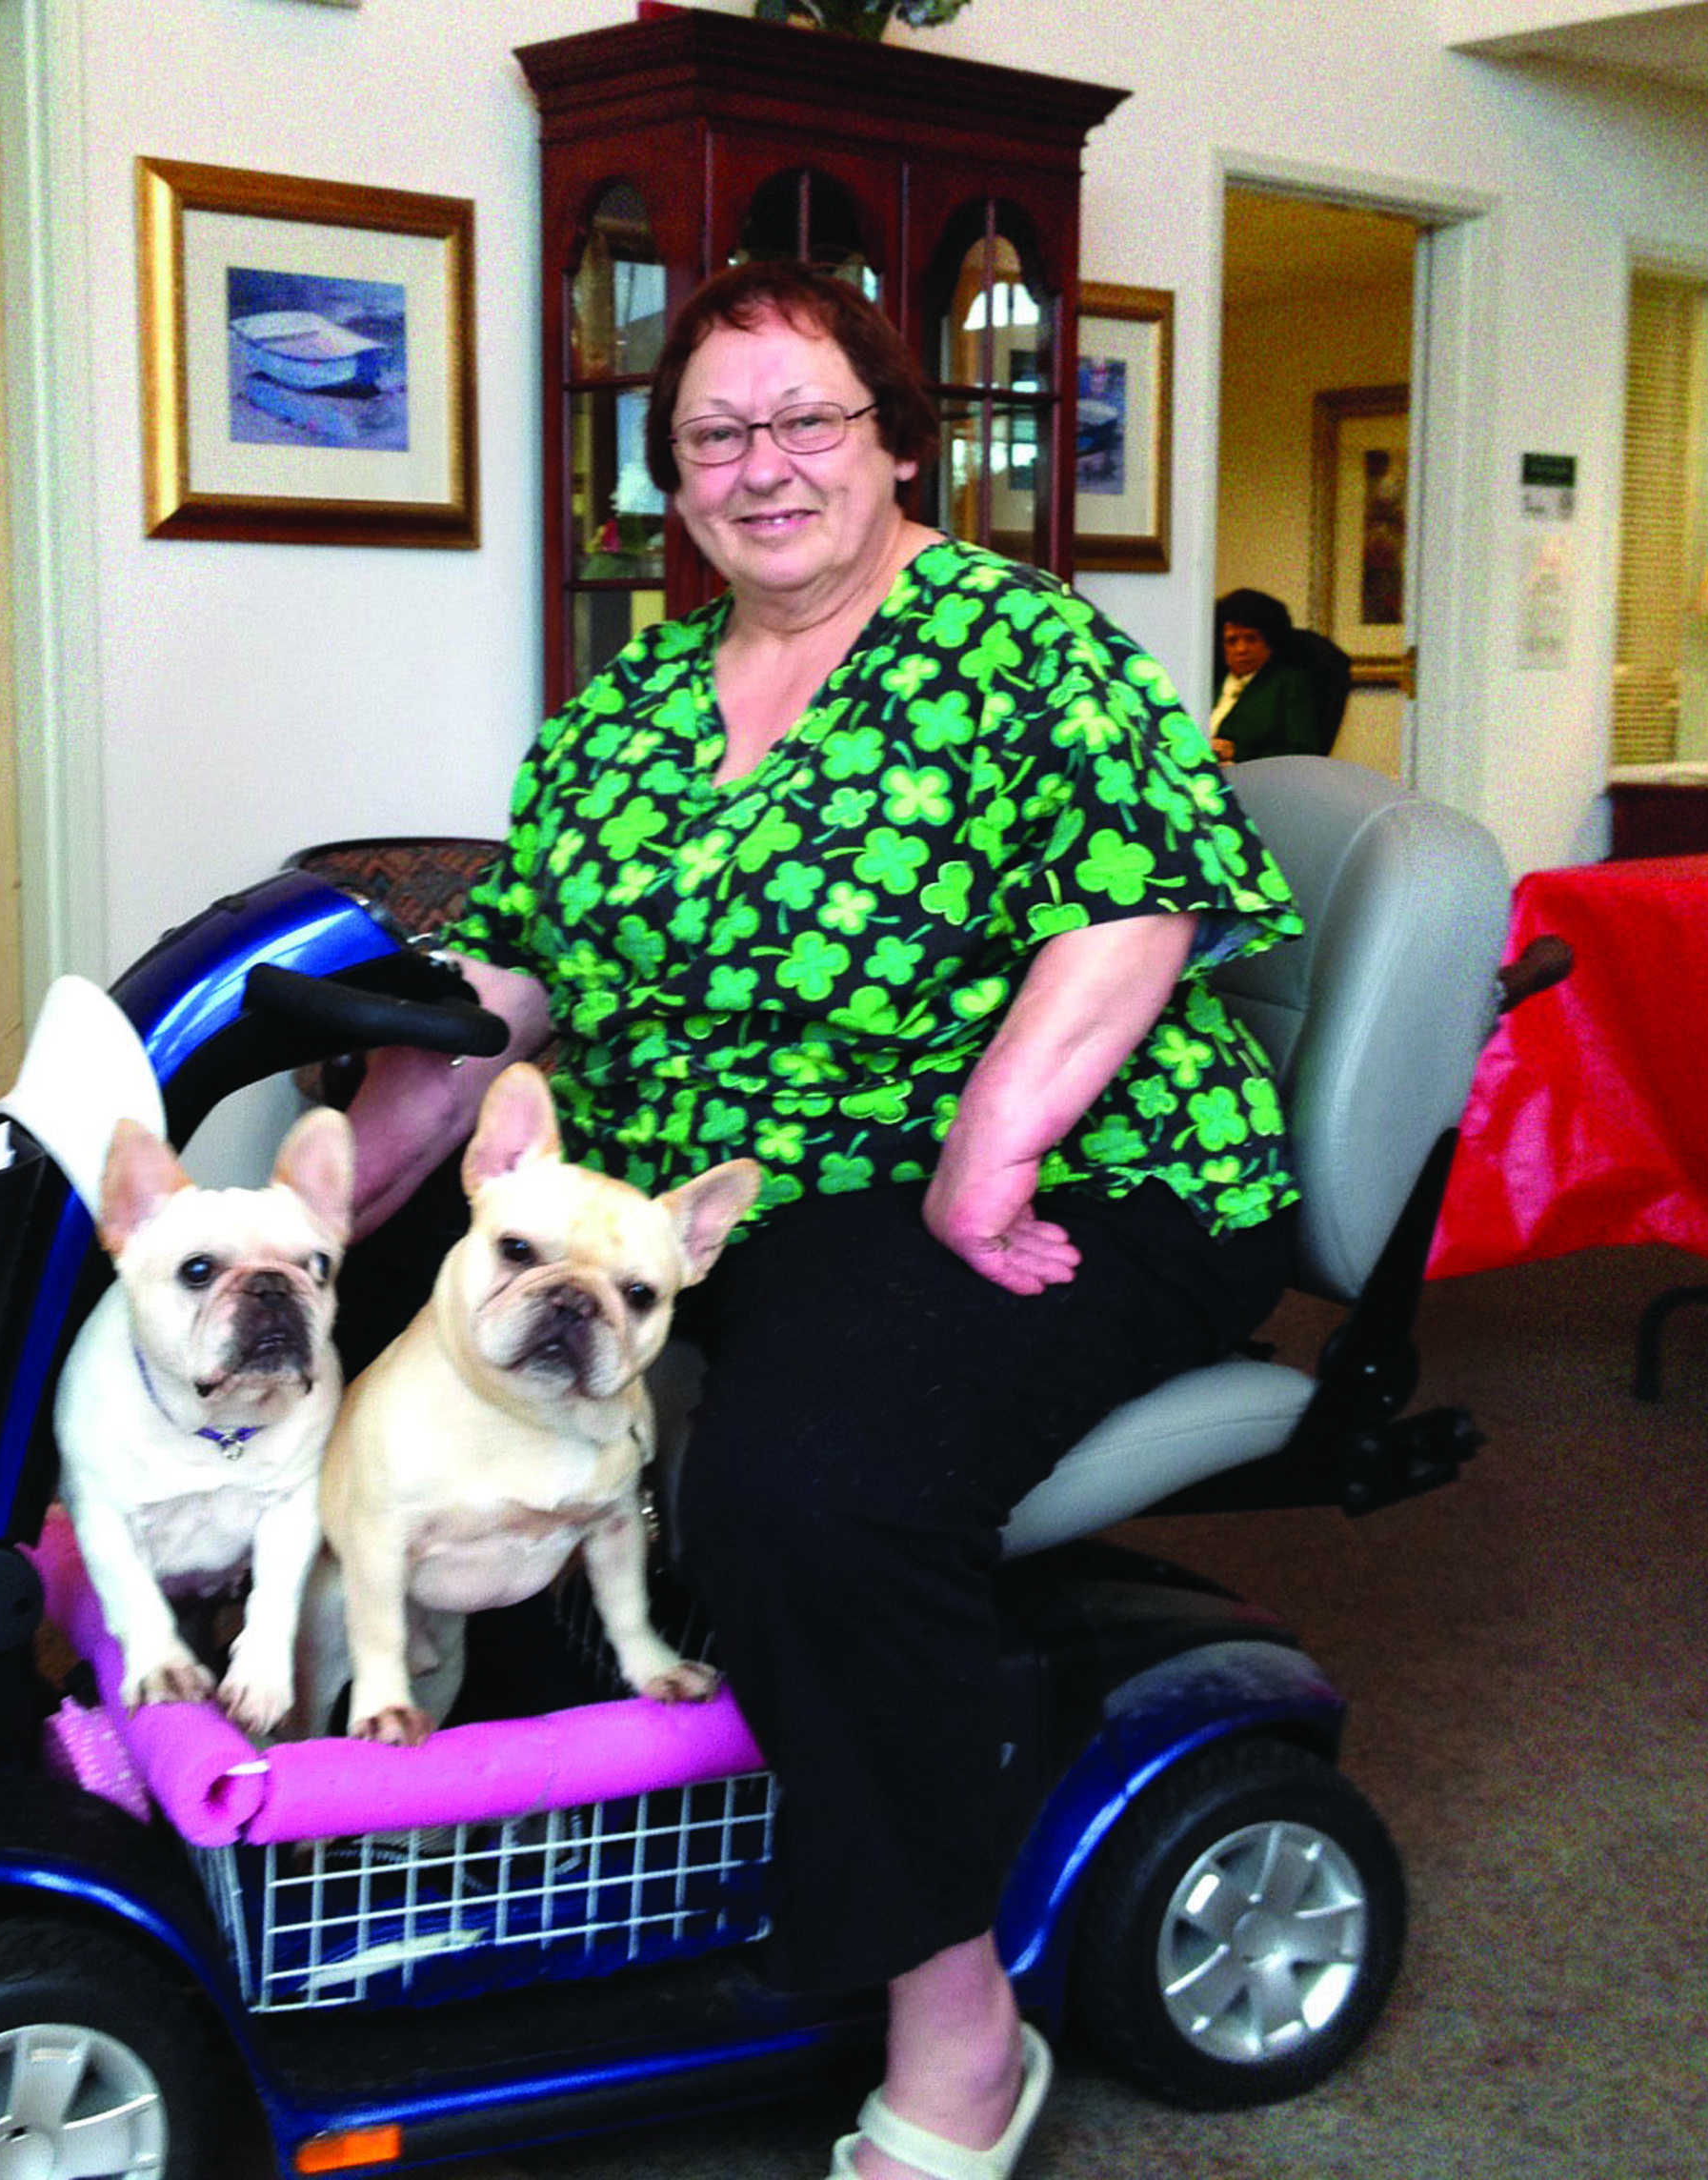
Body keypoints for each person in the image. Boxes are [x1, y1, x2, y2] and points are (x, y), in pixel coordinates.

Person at [338, 261, 1303, 2180]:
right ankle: (441, 1810)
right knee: (347, 1322)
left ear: (896, 440)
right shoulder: (626, 704)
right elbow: (516, 976)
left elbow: (1145, 900)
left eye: (807, 419)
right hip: (692, 1195)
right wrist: (351, 1193)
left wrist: (988, 1149)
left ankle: (959, 2025)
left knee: (804, 1489)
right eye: (717, 432)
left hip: (1058, 1176)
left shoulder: (1021, 644)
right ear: (672, 474)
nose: (764, 465)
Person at [1209, 587, 1332, 763]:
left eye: (1251, 639)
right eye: (1232, 640)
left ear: (1270, 641)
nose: (1241, 649)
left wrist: (1238, 752)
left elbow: (1303, 751)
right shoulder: (1209, 682)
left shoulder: (1289, 684)